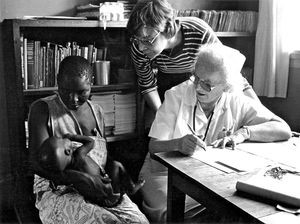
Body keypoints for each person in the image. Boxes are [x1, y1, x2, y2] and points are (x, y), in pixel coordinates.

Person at [138, 44, 292, 222]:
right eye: (195, 77)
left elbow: (282, 128)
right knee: (184, 216)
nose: (198, 87)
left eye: (207, 84)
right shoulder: (176, 95)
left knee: (237, 210)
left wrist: (243, 133)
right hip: (163, 174)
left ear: (226, 86)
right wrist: (177, 144)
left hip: (207, 178)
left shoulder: (235, 99)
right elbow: (153, 147)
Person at [28, 56, 149, 223]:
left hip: (99, 185)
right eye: (65, 90)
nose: (73, 99)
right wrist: (76, 178)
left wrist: (113, 176)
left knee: (139, 222)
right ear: (57, 81)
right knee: (105, 221)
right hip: (59, 188)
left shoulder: (97, 111)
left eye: (81, 92)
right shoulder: (42, 109)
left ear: (91, 83)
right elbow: (35, 163)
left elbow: (102, 155)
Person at [127, 0, 260, 113]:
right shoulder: (139, 45)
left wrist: (257, 108)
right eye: (137, 40)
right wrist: (162, 116)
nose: (140, 47)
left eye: (146, 39)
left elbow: (226, 68)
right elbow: (148, 85)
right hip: (166, 82)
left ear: (166, 28)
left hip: (198, 79)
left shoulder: (198, 30)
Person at [38, 134, 145, 206]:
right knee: (116, 165)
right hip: (112, 193)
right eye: (61, 139)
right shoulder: (79, 154)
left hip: (97, 201)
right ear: (67, 151)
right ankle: (131, 188)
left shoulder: (67, 173)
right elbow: (90, 142)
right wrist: (73, 136)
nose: (63, 137)